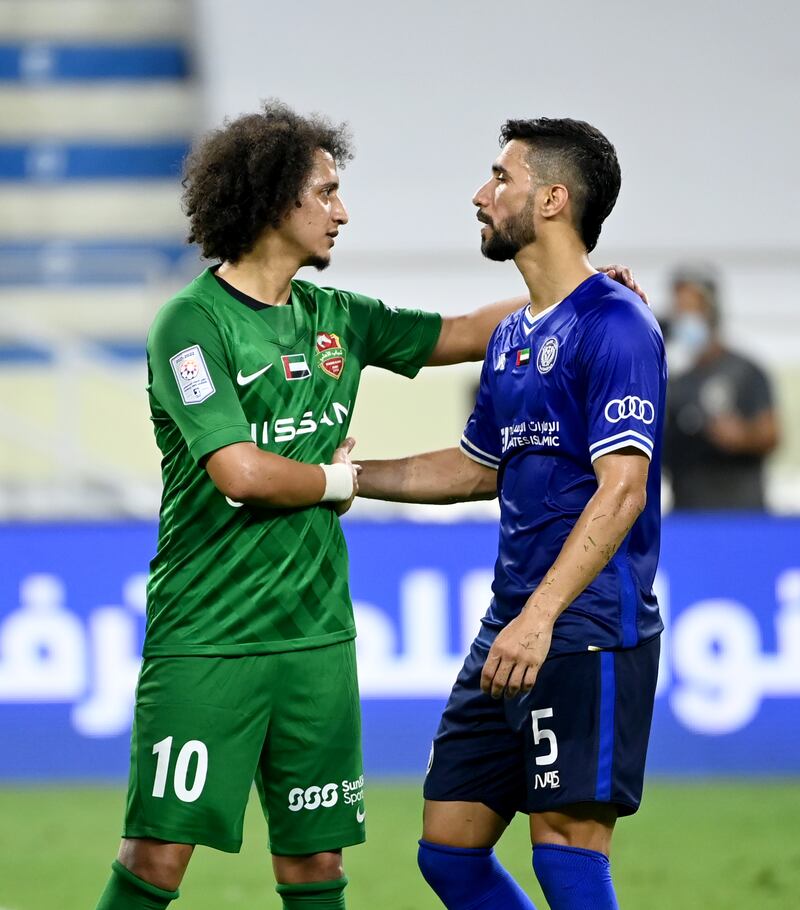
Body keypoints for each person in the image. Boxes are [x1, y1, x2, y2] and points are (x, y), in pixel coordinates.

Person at [92, 101, 645, 910]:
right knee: (156, 854)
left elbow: (463, 330)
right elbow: (240, 473)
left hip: (318, 641)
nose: (341, 211)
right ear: (276, 200)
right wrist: (343, 482)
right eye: (326, 192)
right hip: (207, 637)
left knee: (316, 865)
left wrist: (582, 294)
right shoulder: (191, 323)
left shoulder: (335, 318)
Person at [357, 118, 667, 909]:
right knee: (448, 850)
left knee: (563, 844)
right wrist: (345, 476)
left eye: (501, 177)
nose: (481, 194)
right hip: (513, 625)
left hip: (584, 626)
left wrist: (541, 617)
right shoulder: (512, 337)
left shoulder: (618, 325)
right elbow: (472, 470)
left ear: (554, 199)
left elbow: (623, 488)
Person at [663, 267, 779, 509]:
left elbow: (772, 434)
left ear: (711, 311)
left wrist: (743, 436)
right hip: (689, 515)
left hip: (742, 515)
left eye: (690, 310)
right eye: (679, 311)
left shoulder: (747, 371)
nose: (683, 319)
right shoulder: (676, 382)